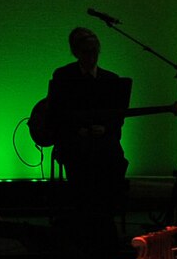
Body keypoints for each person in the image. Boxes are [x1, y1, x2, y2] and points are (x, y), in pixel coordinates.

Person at [36, 26, 131, 203]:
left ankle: (103, 210)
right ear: (76, 52)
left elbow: (118, 118)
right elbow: (57, 113)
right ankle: (89, 212)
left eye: (94, 51)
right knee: (81, 162)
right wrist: (77, 131)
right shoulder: (63, 76)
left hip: (102, 141)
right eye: (86, 52)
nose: (91, 56)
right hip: (73, 141)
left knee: (115, 161)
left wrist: (104, 129)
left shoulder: (111, 80)